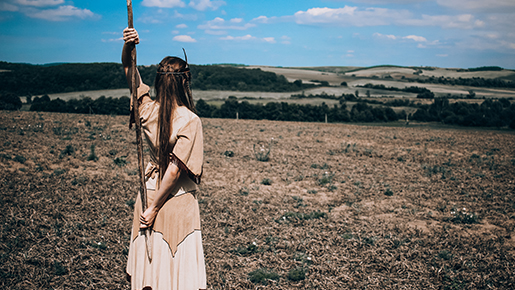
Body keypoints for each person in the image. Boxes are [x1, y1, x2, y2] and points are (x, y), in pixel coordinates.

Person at [122, 28, 206, 290]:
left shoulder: (147, 109)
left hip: (147, 192)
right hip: (172, 202)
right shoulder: (190, 121)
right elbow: (174, 170)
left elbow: (129, 68)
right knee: (174, 275)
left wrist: (128, 46)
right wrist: (155, 208)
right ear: (184, 83)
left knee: (151, 269)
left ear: (158, 82)